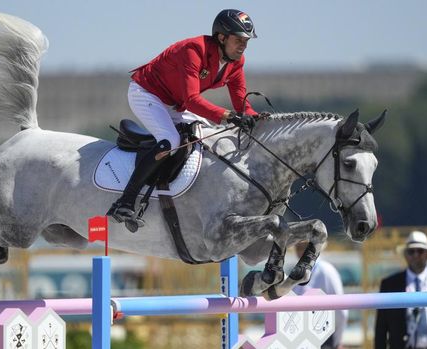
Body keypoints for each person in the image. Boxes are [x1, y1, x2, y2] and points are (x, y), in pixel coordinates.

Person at [107, 9, 259, 225]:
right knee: (171, 140)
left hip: (174, 102)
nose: (243, 45)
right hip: (146, 93)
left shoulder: (237, 61)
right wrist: (228, 116)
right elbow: (192, 100)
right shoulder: (194, 50)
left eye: (246, 40)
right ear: (221, 37)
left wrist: (257, 119)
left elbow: (242, 102)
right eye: (238, 40)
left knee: (209, 135)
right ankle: (125, 202)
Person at [292, 241, 347, 349]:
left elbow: (340, 309)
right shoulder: (297, 272)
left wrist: (338, 341)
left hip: (323, 338)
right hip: (301, 338)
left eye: (303, 246)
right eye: (297, 246)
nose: (298, 250)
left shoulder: (325, 270)